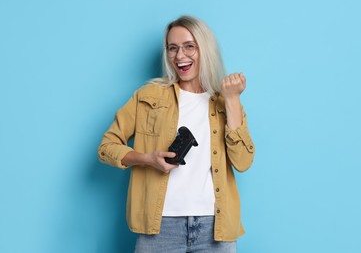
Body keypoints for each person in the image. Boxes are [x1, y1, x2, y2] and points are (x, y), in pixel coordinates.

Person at [98, 15, 255, 253]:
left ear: (205, 49)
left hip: (216, 227)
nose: (180, 56)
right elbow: (107, 147)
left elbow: (243, 162)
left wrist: (232, 99)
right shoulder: (148, 97)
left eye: (189, 46)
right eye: (173, 48)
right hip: (160, 227)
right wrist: (147, 159)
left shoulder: (225, 102)